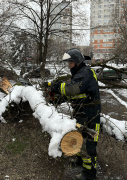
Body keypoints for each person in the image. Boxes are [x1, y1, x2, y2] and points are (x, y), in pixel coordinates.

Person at [50, 48, 101, 180]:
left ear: (77, 62)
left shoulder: (85, 73)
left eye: (70, 63)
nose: (68, 66)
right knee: (78, 136)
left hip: (90, 112)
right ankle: (80, 161)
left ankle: (89, 174)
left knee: (88, 142)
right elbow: (76, 94)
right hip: (81, 110)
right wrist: (57, 98)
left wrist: (56, 86)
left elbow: (71, 89)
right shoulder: (79, 73)